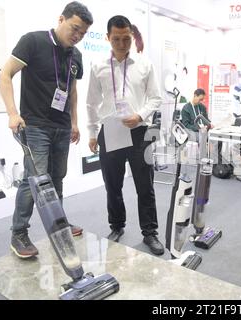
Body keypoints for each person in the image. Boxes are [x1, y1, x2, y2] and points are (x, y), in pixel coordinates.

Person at [0, 1, 93, 259]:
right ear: (61, 19)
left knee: (57, 178)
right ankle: (19, 233)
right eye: (75, 29)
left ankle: (58, 226)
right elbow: (4, 74)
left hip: (61, 127)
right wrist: (12, 114)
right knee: (35, 181)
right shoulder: (32, 41)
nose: (77, 36)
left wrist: (74, 122)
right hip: (35, 125)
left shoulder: (76, 56)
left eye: (83, 33)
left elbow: (72, 90)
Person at [86, 15, 164, 255]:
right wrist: (91, 133)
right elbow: (91, 103)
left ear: (132, 36)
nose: (122, 44)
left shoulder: (145, 64)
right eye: (117, 39)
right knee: (113, 184)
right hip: (110, 132)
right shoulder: (98, 66)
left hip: (140, 132)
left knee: (145, 185)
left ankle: (150, 233)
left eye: (126, 38)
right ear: (108, 37)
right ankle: (117, 226)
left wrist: (140, 116)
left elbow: (156, 98)